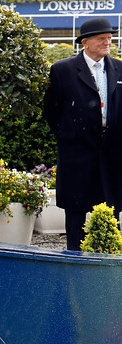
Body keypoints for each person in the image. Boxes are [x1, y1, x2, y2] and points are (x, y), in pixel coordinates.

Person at [43, 17, 122, 250]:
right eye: (101, 39)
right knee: (76, 212)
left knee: (111, 211)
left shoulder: (119, 67)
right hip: (77, 153)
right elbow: (51, 111)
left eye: (109, 38)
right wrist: (69, 136)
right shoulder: (62, 70)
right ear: (85, 42)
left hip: (112, 152)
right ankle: (74, 261)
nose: (107, 42)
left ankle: (109, 259)